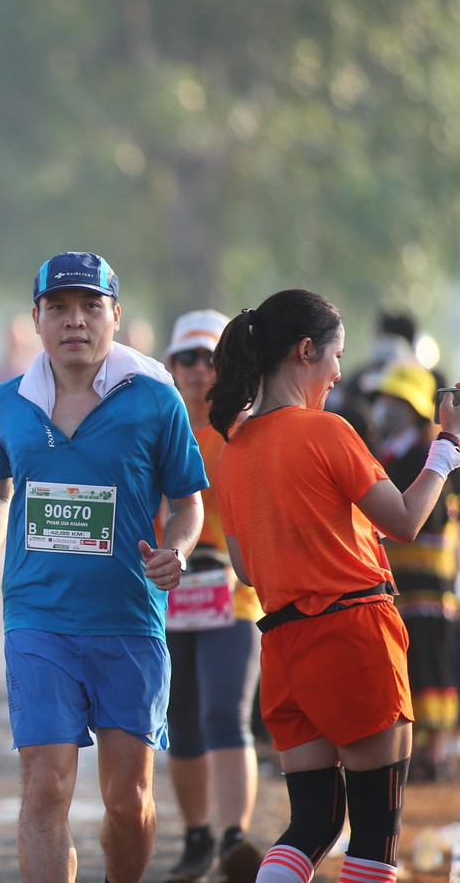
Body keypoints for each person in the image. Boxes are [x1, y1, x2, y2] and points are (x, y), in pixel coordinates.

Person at [0, 252, 208, 883]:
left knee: (129, 800)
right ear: (35, 319)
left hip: (129, 619)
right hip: (38, 619)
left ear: (115, 317)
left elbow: (188, 501)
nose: (75, 321)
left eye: (91, 306)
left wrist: (176, 549)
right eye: (59, 308)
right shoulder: (7, 403)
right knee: (45, 788)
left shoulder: (155, 400)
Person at [206, 290, 460, 883]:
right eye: (335, 356)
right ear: (305, 352)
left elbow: (247, 567)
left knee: (313, 825)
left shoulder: (234, 452)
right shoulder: (327, 432)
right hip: (353, 635)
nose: (340, 372)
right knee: (376, 831)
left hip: (285, 649)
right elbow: (402, 520)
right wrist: (445, 450)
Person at [159, 310, 264, 882]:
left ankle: (233, 839)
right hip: (169, 592)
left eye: (210, 357)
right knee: (182, 720)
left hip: (233, 594)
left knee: (227, 713)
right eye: (188, 358)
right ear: (171, 367)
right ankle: (198, 837)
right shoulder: (156, 426)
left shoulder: (246, 431)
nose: (199, 369)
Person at [367, 361, 459, 782]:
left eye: (398, 400)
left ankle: (434, 752)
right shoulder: (391, 448)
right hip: (402, 582)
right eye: (387, 398)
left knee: (433, 667)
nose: (389, 407)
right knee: (412, 663)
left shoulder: (426, 446)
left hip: (430, 581)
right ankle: (420, 749)